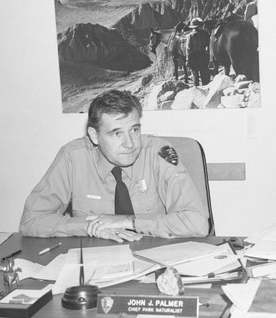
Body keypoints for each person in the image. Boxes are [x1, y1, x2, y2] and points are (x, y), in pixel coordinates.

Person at [20, 89, 209, 243]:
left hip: (155, 256)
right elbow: (32, 221)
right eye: (116, 134)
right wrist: (89, 227)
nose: (130, 143)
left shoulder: (158, 154)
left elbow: (197, 223)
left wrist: (127, 222)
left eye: (134, 130)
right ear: (94, 136)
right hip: (97, 262)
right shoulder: (73, 158)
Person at [186, 17, 211, 86]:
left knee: (195, 75)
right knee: (204, 74)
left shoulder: (190, 35)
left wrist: (187, 60)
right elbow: (208, 44)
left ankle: (196, 90)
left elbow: (188, 49)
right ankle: (205, 89)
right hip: (203, 55)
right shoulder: (205, 33)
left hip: (194, 56)